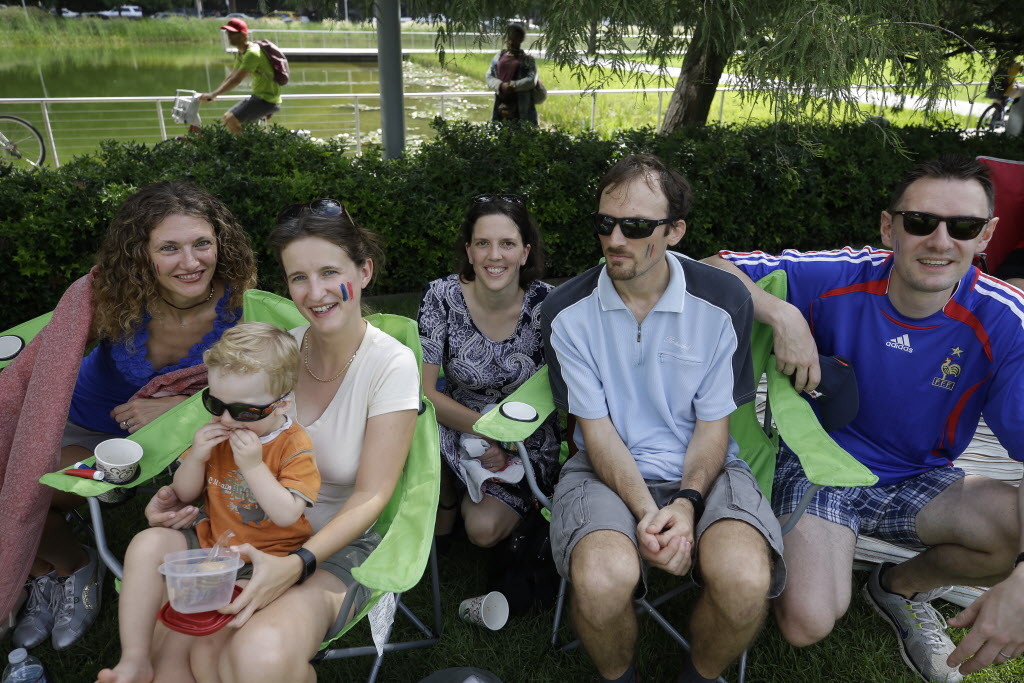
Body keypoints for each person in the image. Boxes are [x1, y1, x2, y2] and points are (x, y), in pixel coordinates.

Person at [705, 155, 1024, 681]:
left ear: (986, 235)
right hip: (820, 467)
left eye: (962, 226)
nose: (940, 241)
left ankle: (898, 586)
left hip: (920, 478)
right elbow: (712, 268)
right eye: (920, 222)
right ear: (888, 226)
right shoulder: (841, 274)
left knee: (1013, 531)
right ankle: (830, 557)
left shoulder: (1003, 317)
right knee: (807, 622)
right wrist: (782, 314)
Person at [138, 199, 420, 682]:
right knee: (182, 659)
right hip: (243, 531)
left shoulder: (390, 366)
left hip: (332, 546)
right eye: (298, 278)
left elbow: (372, 495)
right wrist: (178, 498)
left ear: (365, 270)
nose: (316, 293)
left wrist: (298, 563)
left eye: (330, 272)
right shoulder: (277, 352)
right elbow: (225, 439)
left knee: (255, 656)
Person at [541, 154, 786, 683]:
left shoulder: (720, 301)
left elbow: (712, 427)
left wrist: (686, 502)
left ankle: (699, 676)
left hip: (707, 469)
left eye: (635, 227)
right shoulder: (565, 312)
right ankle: (619, 676)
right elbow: (596, 434)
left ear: (675, 231)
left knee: (745, 581)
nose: (615, 240)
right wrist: (649, 513)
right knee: (604, 580)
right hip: (604, 469)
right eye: (604, 223)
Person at [7, 181, 256, 652]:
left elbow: (259, 385)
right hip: (81, 424)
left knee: (38, 488)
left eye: (202, 243)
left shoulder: (242, 305)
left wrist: (180, 406)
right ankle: (65, 567)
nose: (191, 262)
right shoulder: (110, 296)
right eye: (169, 248)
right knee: (23, 481)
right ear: (141, 253)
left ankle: (63, 564)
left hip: (170, 441)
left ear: (220, 243)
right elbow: (49, 359)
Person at [97, 321, 319, 683]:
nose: (228, 419)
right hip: (213, 544)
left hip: (269, 561)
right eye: (216, 403)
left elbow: (287, 513)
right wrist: (197, 457)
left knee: (205, 654)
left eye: (246, 412)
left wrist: (252, 466)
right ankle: (135, 659)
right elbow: (185, 494)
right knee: (146, 543)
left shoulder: (293, 445)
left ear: (282, 405)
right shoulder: (215, 434)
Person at [418, 193, 559, 549]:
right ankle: (448, 497)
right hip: (455, 422)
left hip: (526, 434)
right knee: (412, 424)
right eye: (483, 243)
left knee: (482, 530)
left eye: (507, 244)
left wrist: (507, 440)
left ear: (524, 253)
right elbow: (424, 390)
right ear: (469, 251)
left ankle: (511, 507)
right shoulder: (441, 297)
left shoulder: (548, 304)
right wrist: (485, 435)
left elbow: (559, 392)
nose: (494, 256)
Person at [200, 18, 282, 135]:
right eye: (228, 32)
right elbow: (232, 76)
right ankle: (248, 146)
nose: (229, 36)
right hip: (258, 96)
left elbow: (237, 80)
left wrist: (213, 95)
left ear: (243, 35)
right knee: (226, 118)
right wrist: (213, 93)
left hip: (268, 99)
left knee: (230, 120)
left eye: (233, 33)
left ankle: (246, 151)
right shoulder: (241, 53)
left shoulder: (252, 53)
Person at [485, 23, 539, 124]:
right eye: (509, 37)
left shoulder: (528, 60)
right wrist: (500, 85)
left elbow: (531, 80)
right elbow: (489, 76)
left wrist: (512, 85)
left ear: (521, 39)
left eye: (515, 37)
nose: (511, 40)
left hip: (521, 107)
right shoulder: (498, 57)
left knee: (522, 134)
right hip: (500, 105)